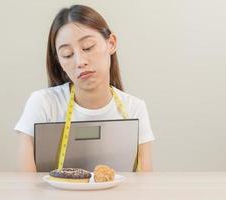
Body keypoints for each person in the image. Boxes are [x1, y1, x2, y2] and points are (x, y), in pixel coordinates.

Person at [14, 5, 155, 172]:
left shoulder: (135, 109)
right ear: (59, 61)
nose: (80, 61)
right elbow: (26, 183)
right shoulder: (43, 104)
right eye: (67, 54)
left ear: (111, 43)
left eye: (88, 47)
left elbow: (144, 182)